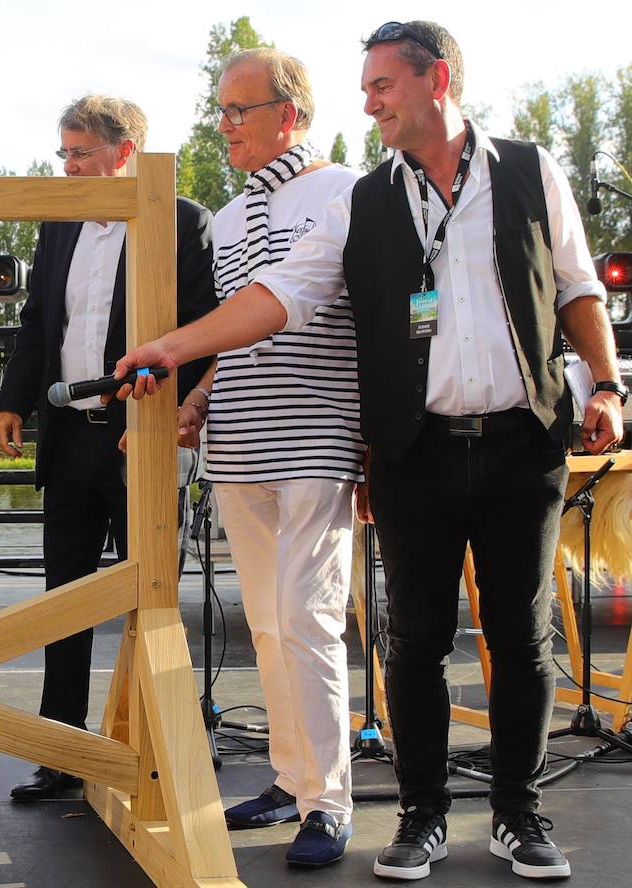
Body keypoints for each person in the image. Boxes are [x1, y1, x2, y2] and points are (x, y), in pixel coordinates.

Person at [114, 21, 625, 882]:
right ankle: (419, 815)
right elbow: (282, 295)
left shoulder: (528, 171)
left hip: (515, 442)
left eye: (382, 85)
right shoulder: (368, 198)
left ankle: (516, 813)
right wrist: (181, 358)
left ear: (440, 79)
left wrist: (605, 385)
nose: (369, 101)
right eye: (365, 87)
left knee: (519, 635)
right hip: (411, 449)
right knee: (411, 637)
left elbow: (577, 286)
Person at [0, 94, 217, 801]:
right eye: (64, 153)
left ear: (125, 154)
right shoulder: (58, 229)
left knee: (150, 602)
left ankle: (157, 749)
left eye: (79, 153)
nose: (67, 167)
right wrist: (10, 401)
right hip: (70, 440)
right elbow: (37, 327)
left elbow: (207, 327)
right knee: (65, 598)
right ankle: (60, 750)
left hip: (140, 441)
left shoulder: (183, 221)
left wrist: (176, 411)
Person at [194, 49, 363, 867]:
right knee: (264, 623)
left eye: (238, 110)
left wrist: (375, 439)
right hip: (239, 442)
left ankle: (330, 802)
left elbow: (381, 317)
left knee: (309, 620)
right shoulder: (226, 218)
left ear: (289, 114)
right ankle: (293, 781)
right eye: (220, 110)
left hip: (320, 436)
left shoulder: (349, 192)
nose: (223, 124)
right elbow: (237, 323)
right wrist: (199, 396)